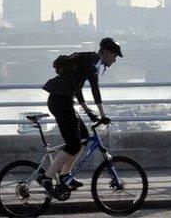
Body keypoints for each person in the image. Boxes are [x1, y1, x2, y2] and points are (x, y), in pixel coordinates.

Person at [38, 37, 123, 196]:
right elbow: (95, 90)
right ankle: (46, 178)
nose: (115, 59)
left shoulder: (89, 61)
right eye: (115, 55)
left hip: (64, 100)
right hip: (60, 101)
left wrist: (87, 110)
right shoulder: (92, 63)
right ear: (106, 52)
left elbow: (76, 88)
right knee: (74, 144)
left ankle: (64, 176)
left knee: (83, 138)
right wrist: (103, 115)